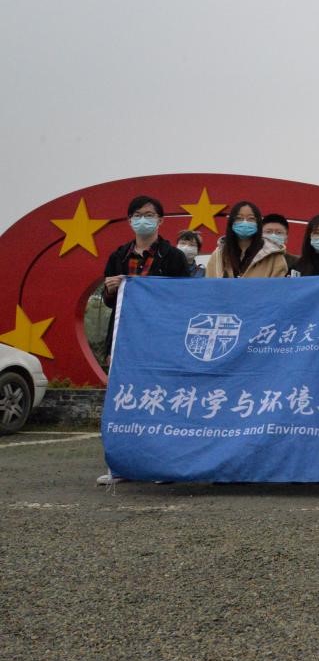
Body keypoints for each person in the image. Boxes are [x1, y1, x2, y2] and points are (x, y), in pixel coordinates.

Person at [95, 195, 191, 486]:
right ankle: (122, 465)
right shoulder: (119, 256)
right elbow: (109, 302)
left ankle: (163, 465)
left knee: (162, 402)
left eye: (149, 215)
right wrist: (111, 288)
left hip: (161, 339)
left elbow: (184, 298)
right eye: (138, 215)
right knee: (125, 402)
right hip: (125, 338)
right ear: (129, 220)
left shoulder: (173, 257)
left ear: (161, 220)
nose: (143, 220)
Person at [205, 202, 288, 278]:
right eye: (239, 218)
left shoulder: (274, 256)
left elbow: (278, 287)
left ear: (258, 223)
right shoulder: (218, 255)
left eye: (251, 219)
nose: (245, 222)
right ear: (231, 222)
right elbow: (209, 285)